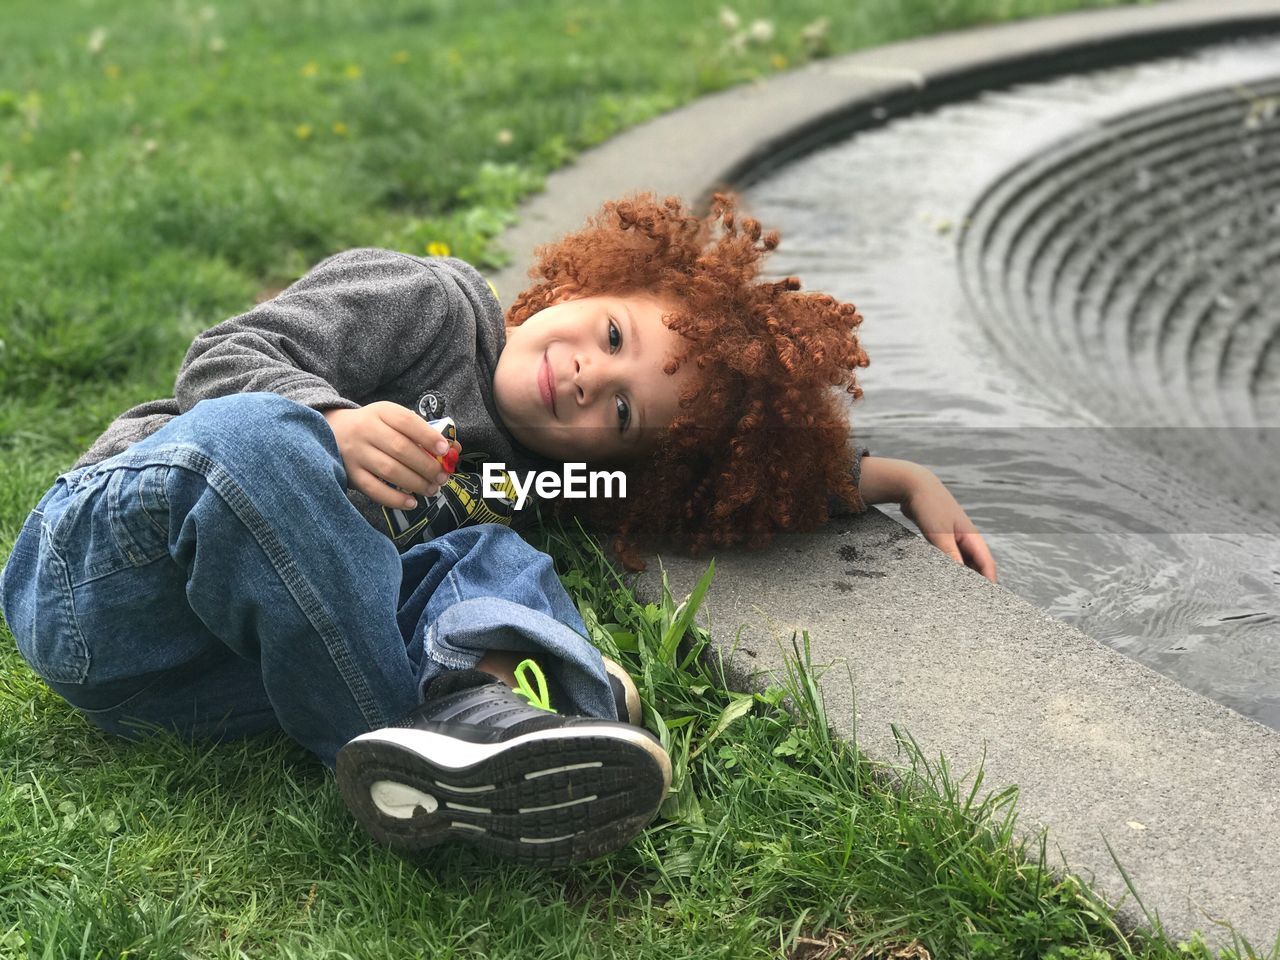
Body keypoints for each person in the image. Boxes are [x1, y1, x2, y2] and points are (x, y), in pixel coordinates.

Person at [0, 192, 995, 867]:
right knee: (259, 438)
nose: (587, 376)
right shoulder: (430, 306)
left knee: (485, 552)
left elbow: (697, 494)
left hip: (218, 683)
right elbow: (222, 356)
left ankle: (486, 729)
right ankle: (396, 730)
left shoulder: (544, 477)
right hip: (109, 583)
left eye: (620, 413)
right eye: (612, 337)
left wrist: (890, 479)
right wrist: (328, 424)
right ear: (579, 283)